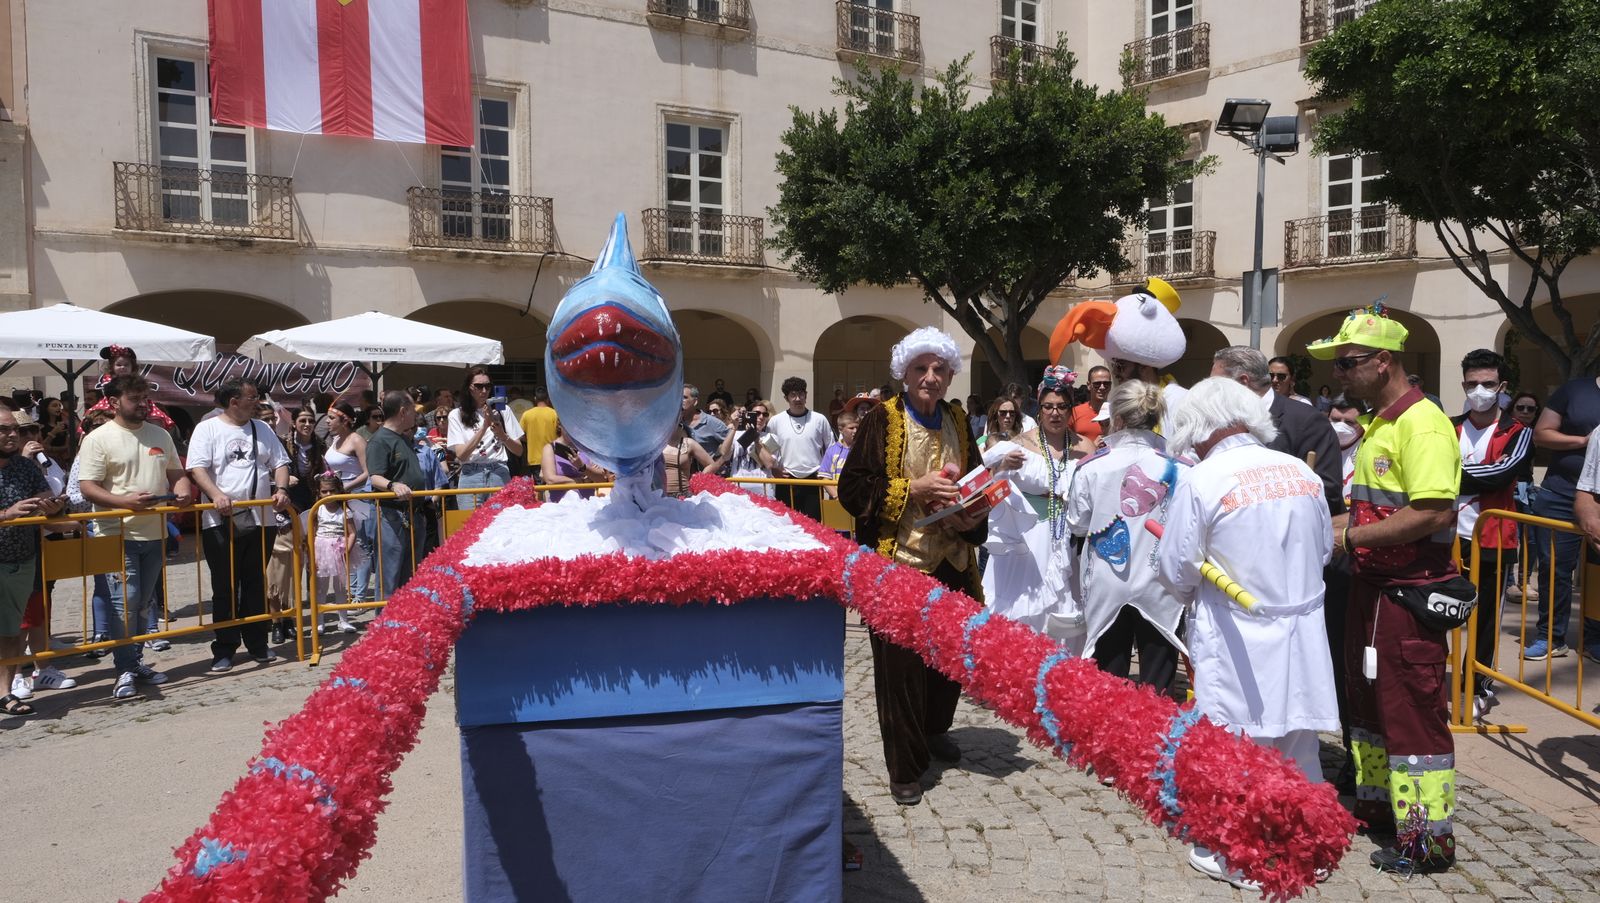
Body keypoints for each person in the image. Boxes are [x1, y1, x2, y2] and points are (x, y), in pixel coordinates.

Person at [1156, 377, 1340, 890]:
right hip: (1300, 628)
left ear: (1199, 426)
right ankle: (1311, 847)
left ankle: (1246, 858)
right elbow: (1325, 548)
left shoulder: (1204, 479)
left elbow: (1176, 568)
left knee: (1240, 744)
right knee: (1299, 742)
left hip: (1237, 633)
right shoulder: (1300, 473)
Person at [1311, 306, 1461, 874]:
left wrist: (1352, 534)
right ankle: (1377, 810)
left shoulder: (1421, 423)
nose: (1340, 375)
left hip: (1407, 593)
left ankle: (1426, 844)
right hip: (1373, 589)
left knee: (1412, 716)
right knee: (1368, 707)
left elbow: (1432, 510)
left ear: (1383, 361)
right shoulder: (1382, 420)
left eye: (1348, 363)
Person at [839, 327, 989, 807]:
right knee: (901, 670)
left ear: (950, 376)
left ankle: (935, 729)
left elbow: (974, 480)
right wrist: (912, 490)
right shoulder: (881, 420)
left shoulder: (958, 420)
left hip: (954, 560)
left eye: (939, 369)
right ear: (904, 372)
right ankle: (905, 765)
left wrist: (975, 508)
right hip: (900, 563)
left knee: (950, 661)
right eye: (921, 368)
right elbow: (853, 490)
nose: (930, 377)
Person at [75, 375, 192, 699]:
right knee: (122, 603)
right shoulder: (98, 438)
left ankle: (135, 661)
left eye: (145, 397)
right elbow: (89, 487)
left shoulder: (160, 434)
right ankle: (124, 668)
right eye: (135, 398)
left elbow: (176, 474)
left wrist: (181, 491)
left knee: (142, 604)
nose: (144, 404)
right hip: (114, 534)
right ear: (114, 402)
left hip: (154, 533)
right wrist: (124, 503)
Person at [1067, 381, 1188, 694]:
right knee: (1159, 680)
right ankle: (1157, 739)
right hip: (1160, 581)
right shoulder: (1180, 468)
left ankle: (1112, 740)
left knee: (1109, 678)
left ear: (1117, 417)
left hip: (1108, 581)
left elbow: (1077, 524)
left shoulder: (1092, 468)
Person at [187, 378, 292, 674]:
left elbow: (280, 462)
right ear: (233, 401)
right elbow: (197, 467)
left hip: (262, 519)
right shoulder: (207, 428)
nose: (257, 402)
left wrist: (282, 490)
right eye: (252, 397)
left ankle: (257, 642)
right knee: (225, 585)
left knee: (255, 582)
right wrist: (217, 495)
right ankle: (224, 648)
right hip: (220, 521)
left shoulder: (262, 428)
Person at [1451, 349, 1532, 719]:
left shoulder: (1517, 432)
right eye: (1472, 383)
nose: (1479, 390)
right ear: (1463, 385)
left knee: (1484, 620)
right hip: (1444, 539)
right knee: (1437, 613)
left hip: (1493, 540)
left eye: (1487, 383)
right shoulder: (1447, 427)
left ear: (1501, 387)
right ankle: (1440, 681)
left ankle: (1478, 684)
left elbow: (1502, 474)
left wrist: (1447, 479)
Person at [981, 366, 1083, 646]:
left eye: (1062, 406)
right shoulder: (1018, 444)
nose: (1055, 413)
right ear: (1039, 409)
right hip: (1026, 540)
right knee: (1023, 610)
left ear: (1070, 408)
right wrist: (1001, 467)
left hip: (1067, 539)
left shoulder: (1083, 446)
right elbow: (989, 488)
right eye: (1048, 406)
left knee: (1062, 611)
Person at [1211, 347, 1344, 515]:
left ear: (1243, 382)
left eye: (1216, 384)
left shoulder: (1307, 420)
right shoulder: (1222, 421)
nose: (1211, 391)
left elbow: (1327, 490)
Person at [1526, 370, 1600, 662]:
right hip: (1561, 495)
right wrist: (1585, 441)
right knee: (1554, 568)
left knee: (1597, 572)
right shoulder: (1574, 391)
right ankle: (1550, 636)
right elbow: (1541, 434)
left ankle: (1594, 637)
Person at [0, 407, 67, 716]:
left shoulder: (24, 467)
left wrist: (52, 507)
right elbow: (11, 513)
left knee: (11, 631)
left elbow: (43, 498)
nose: (13, 434)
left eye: (15, 429)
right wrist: (7, 515)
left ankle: (5, 693)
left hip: (22, 560)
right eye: (4, 429)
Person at [365, 391, 429, 600]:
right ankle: (384, 627)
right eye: (412, 410)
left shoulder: (401, 438)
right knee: (390, 576)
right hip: (392, 516)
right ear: (403, 412)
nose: (415, 415)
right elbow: (375, 477)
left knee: (410, 576)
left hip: (413, 513)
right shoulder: (380, 440)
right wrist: (393, 485)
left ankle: (405, 625)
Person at [450, 367, 524, 511]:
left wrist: (502, 435)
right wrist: (484, 426)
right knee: (470, 526)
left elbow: (519, 450)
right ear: (469, 388)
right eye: (478, 386)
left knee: (500, 524)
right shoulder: (456, 415)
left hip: (498, 471)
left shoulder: (503, 411)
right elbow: (461, 454)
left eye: (487, 386)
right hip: (471, 473)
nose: (484, 391)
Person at [770, 377, 834, 521]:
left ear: (806, 395)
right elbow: (769, 450)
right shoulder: (775, 421)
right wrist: (775, 469)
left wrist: (825, 472)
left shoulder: (819, 419)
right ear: (786, 398)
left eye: (801, 394)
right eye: (793, 395)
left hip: (813, 479)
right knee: (786, 524)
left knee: (813, 526)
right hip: (786, 480)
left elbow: (831, 448)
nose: (797, 398)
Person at [84, 345, 177, 435]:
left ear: (132, 367)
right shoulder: (108, 380)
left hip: (133, 406)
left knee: (153, 419)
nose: (122, 367)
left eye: (126, 365)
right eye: (119, 365)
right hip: (111, 405)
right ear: (112, 367)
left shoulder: (138, 382)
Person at [310, 473, 359, 635]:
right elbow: (312, 531)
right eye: (324, 492)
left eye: (332, 491)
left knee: (340, 587)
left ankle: (343, 621)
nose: (328, 495)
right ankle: (319, 622)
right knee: (321, 588)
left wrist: (346, 550)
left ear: (338, 490)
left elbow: (352, 533)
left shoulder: (344, 511)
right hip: (322, 550)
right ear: (319, 493)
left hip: (339, 550)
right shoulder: (317, 510)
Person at [713, 400, 778, 499]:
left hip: (764, 490)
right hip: (738, 489)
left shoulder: (771, 437)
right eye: (756, 414)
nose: (761, 417)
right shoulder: (736, 435)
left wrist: (756, 439)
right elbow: (724, 454)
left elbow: (769, 464)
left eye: (764, 414)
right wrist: (734, 427)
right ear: (748, 415)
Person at [542, 419, 610, 501]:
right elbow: (550, 479)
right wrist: (580, 481)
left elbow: (602, 479)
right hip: (561, 507)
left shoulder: (587, 448)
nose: (572, 428)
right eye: (568, 424)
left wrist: (582, 467)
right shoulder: (550, 448)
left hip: (586, 505)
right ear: (560, 425)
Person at [661, 420, 716, 498]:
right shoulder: (654, 444)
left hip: (682, 497)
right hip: (658, 497)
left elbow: (711, 464)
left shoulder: (688, 443)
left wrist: (697, 481)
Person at [519, 386, 560, 482]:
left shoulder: (527, 414)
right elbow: (560, 434)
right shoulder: (555, 414)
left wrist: (529, 439)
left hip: (534, 458)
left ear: (535, 399)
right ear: (548, 399)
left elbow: (520, 435)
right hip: (552, 457)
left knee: (539, 490)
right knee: (553, 486)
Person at [680, 384, 729, 460]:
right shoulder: (675, 424)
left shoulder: (712, 422)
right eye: (678, 397)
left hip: (706, 470)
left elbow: (731, 445)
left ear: (695, 401)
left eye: (684, 397)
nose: (680, 400)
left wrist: (716, 464)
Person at [1071, 366, 1113, 445]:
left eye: (1106, 383)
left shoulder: (1117, 413)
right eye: (1097, 384)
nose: (1102, 387)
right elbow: (1066, 444)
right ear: (1089, 385)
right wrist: (1092, 447)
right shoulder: (1074, 413)